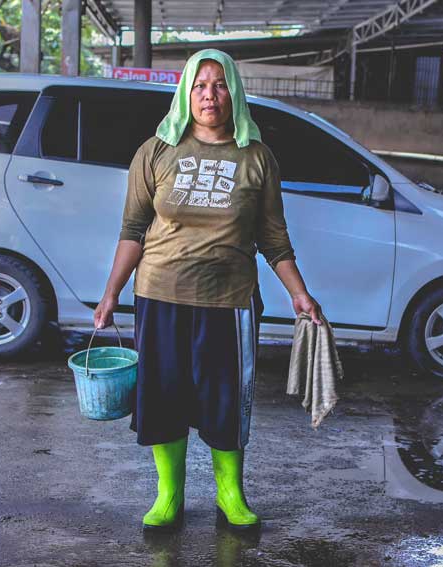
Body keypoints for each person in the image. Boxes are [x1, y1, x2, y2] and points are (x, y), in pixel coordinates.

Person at [94, 49, 323, 532]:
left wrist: (299, 295)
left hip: (230, 302)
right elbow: (133, 228)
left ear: (233, 92)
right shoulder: (155, 151)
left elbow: (274, 238)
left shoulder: (257, 158)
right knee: (163, 396)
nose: (209, 95)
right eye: (199, 86)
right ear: (185, 92)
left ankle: (230, 494)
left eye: (219, 85)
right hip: (159, 295)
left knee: (225, 399)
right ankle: (169, 494)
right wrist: (112, 292)